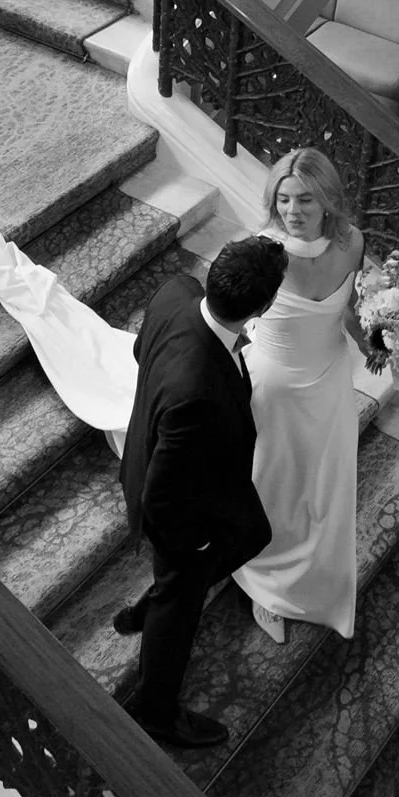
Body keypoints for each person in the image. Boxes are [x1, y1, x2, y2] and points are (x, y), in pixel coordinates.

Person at [115, 233, 288, 748]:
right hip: (175, 507)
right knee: (182, 598)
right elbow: (164, 498)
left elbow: (139, 346)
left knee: (254, 532)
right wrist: (190, 547)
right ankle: (154, 711)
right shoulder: (198, 392)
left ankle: (155, 601)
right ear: (264, 305)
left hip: (195, 476)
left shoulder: (176, 291)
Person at [235, 146, 378, 644]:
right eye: (284, 199)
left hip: (331, 385)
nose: (293, 212)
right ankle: (265, 585)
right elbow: (229, 318)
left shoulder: (352, 243)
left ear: (328, 203)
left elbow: (354, 313)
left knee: (324, 491)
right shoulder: (261, 251)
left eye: (305, 201)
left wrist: (384, 341)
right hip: (274, 391)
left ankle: (317, 579)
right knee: (274, 487)